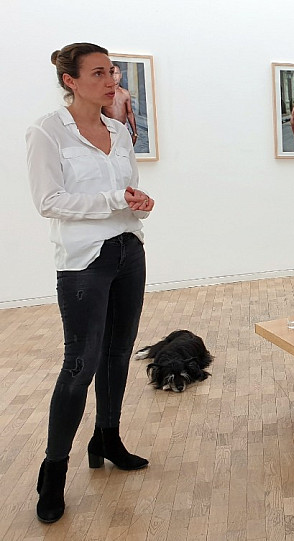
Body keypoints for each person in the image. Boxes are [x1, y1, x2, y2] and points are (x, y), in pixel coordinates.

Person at [26, 42, 154, 524]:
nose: (111, 80)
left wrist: (138, 201)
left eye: (112, 72)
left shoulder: (118, 131)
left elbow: (126, 190)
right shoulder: (47, 131)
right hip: (83, 260)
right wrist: (113, 199)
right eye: (98, 73)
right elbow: (48, 201)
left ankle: (107, 438)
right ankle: (53, 471)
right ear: (70, 81)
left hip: (128, 251)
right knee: (80, 365)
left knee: (118, 354)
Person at [101, 64, 138, 146]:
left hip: (123, 128)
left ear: (120, 75)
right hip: (109, 129)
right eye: (111, 73)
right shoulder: (103, 93)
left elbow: (130, 113)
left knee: (124, 150)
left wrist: (135, 133)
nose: (114, 76)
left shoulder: (125, 93)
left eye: (116, 73)